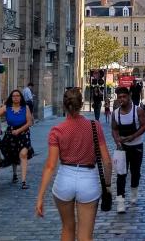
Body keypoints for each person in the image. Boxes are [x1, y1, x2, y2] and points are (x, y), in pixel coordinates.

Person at [35, 88, 112, 241]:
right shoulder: (94, 126)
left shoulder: (57, 130)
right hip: (88, 180)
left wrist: (40, 196)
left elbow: (50, 165)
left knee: (67, 228)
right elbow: (107, 161)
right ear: (81, 104)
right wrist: (107, 185)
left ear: (64, 105)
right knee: (85, 235)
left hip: (64, 179)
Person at [0, 89, 33, 189]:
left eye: (18, 96)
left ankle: (24, 181)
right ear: (11, 98)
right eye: (14, 96)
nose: (16, 97)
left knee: (23, 154)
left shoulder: (25, 108)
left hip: (23, 133)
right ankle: (14, 174)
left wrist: (19, 131)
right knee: (12, 154)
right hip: (10, 133)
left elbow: (29, 123)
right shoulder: (7, 108)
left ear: (21, 97)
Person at [112, 86, 145, 213]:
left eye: (124, 96)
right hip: (122, 148)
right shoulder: (115, 113)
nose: (121, 99)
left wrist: (133, 136)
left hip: (137, 146)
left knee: (135, 172)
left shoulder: (138, 111)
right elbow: (114, 129)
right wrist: (117, 140)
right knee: (121, 174)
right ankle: (120, 202)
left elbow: (144, 126)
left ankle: (134, 192)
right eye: (119, 97)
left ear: (129, 97)